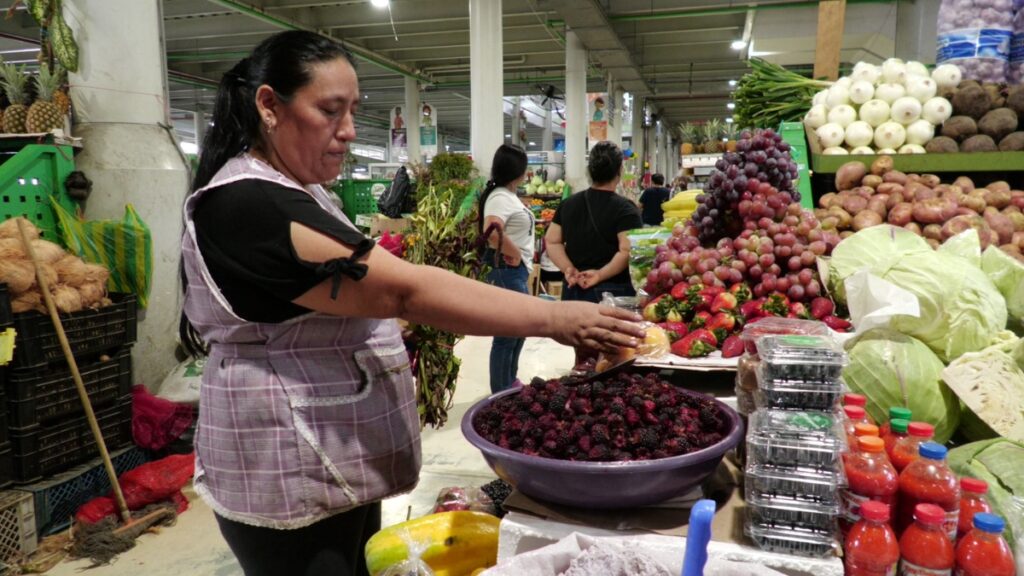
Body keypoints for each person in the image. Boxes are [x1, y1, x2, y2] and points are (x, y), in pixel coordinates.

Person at [180, 31, 644, 576]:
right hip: (285, 462)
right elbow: (405, 288)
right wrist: (557, 316)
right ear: (269, 105)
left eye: (353, 111)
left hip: (324, 449)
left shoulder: (298, 191)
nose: (348, 130)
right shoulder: (246, 202)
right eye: (330, 110)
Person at [545, 141, 641, 303]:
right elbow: (627, 251)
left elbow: (552, 241)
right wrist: (599, 274)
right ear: (620, 171)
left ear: (590, 170)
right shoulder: (626, 209)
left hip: (573, 288)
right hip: (612, 293)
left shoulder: (568, 204)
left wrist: (569, 269)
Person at [478, 144, 535, 394]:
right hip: (505, 270)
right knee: (507, 333)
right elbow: (491, 232)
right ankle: (501, 391)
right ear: (518, 171)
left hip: (514, 271)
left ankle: (510, 381)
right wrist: (515, 254)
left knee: (519, 330)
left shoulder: (507, 195)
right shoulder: (500, 196)